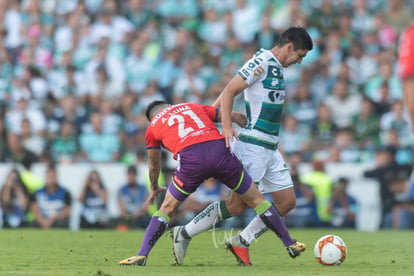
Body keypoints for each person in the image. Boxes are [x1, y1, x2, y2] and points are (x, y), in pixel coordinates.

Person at [171, 26, 313, 266]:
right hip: (253, 146)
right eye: (299, 55)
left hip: (270, 148)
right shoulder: (262, 62)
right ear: (289, 47)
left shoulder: (276, 67)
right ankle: (184, 233)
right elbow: (229, 91)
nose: (298, 61)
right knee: (236, 206)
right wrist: (225, 125)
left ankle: (242, 240)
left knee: (287, 202)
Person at [118, 100, 306, 266]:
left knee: (166, 208)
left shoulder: (153, 127)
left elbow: (154, 164)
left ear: (152, 118)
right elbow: (235, 116)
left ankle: (141, 255)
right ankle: (290, 244)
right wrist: (244, 125)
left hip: (191, 161)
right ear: (169, 106)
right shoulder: (191, 106)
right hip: (221, 154)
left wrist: (154, 187)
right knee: (258, 200)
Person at [115, 165, 150, 230]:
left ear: (136, 176)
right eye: (129, 175)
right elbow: (121, 207)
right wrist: (128, 216)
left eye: (133, 175)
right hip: (127, 216)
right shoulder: (121, 190)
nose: (131, 177)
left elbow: (146, 207)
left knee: (147, 220)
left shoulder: (143, 189)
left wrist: (137, 215)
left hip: (140, 216)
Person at [399, 20, 414, 129]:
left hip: (408, 75)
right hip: (409, 74)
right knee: (411, 104)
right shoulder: (408, 31)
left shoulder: (408, 31)